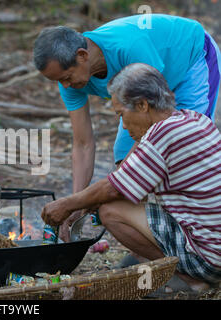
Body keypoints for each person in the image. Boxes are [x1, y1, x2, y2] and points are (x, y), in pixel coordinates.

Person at [33, 14, 221, 242]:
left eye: (67, 77)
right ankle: (149, 242)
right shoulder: (69, 79)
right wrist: (76, 203)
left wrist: (100, 192)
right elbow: (83, 144)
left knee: (180, 150)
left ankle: (196, 238)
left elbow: (152, 120)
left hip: (190, 61)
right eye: (58, 81)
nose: (65, 86)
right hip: (141, 93)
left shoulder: (129, 47)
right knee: (123, 156)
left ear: (82, 56)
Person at [41, 63, 221, 292]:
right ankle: (163, 266)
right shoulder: (195, 119)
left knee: (110, 210)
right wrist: (84, 203)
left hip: (207, 258)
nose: (124, 126)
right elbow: (127, 181)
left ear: (143, 105)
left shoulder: (162, 134)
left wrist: (67, 204)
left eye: (122, 115)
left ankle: (185, 278)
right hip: (214, 245)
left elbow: (113, 188)